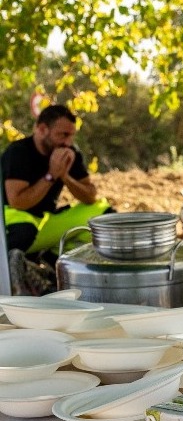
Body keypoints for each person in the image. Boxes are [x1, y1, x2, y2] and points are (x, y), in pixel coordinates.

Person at [2, 104, 111, 295]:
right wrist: (50, 176)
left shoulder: (70, 153)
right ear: (42, 129)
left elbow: (90, 196)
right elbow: (17, 201)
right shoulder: (18, 152)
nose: (68, 142)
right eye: (63, 135)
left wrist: (66, 177)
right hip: (14, 217)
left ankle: (51, 264)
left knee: (103, 217)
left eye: (71, 136)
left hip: (46, 220)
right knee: (25, 230)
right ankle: (18, 266)